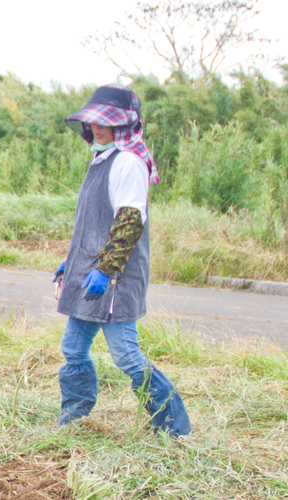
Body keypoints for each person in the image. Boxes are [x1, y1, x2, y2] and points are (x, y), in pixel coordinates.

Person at [53, 84, 191, 436]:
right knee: (73, 348)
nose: (98, 128)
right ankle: (76, 417)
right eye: (94, 122)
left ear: (125, 126)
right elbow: (96, 223)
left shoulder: (128, 162)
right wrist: (73, 262)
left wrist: (103, 269)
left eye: (107, 123)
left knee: (127, 355)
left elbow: (130, 222)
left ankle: (175, 429)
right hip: (92, 270)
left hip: (114, 276)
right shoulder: (102, 158)